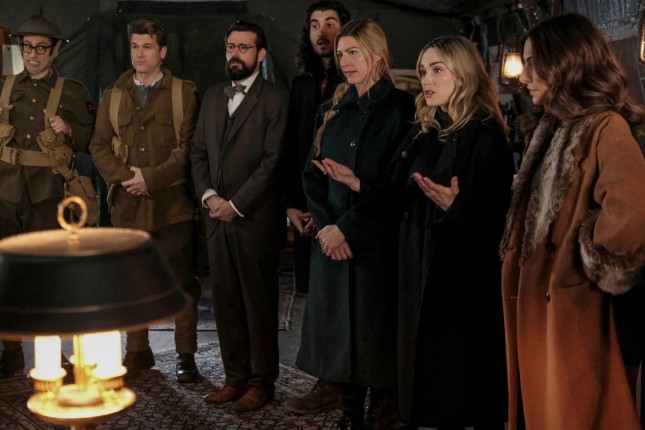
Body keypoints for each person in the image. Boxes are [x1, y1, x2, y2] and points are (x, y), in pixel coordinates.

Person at [499, 13, 645, 430]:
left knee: (573, 411)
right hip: (543, 304)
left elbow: (632, 210)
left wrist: (578, 261)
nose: (524, 75)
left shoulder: (605, 125)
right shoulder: (552, 126)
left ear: (567, 62)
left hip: (570, 308)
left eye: (534, 63)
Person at [389, 36, 514, 429]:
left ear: (462, 73)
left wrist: (454, 208)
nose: (427, 79)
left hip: (464, 284)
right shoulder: (431, 127)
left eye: (437, 69)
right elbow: (398, 184)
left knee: (462, 388)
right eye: (423, 71)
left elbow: (497, 223)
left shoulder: (485, 133)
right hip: (426, 267)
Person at [298, 19, 415, 429]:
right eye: (341, 53)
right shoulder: (331, 108)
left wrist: (348, 227)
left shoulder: (401, 108)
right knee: (337, 328)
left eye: (353, 53)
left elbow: (395, 183)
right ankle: (348, 412)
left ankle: (385, 408)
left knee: (373, 330)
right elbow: (312, 175)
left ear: (377, 55)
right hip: (331, 241)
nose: (344, 61)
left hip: (374, 239)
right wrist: (328, 229)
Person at [89, 18, 201, 383]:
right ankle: (137, 351)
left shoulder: (183, 93)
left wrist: (148, 178)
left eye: (147, 47)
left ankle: (186, 355)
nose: (139, 54)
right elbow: (98, 146)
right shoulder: (113, 95)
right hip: (127, 206)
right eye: (135, 46)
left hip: (173, 205)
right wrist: (126, 178)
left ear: (162, 51)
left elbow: (189, 150)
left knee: (181, 281)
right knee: (132, 282)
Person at [190, 19, 288, 413]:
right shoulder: (213, 95)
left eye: (244, 48)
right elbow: (198, 153)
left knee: (257, 304)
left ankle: (262, 383)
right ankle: (235, 379)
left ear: (260, 54)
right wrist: (211, 197)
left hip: (254, 219)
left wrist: (236, 204)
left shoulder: (275, 98)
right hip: (215, 218)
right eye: (231, 46)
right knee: (226, 302)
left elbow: (273, 162)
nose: (235, 53)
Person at [0, 15, 95, 378]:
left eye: (41, 47)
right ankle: (11, 352)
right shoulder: (5, 86)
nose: (33, 54)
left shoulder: (72, 92)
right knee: (6, 276)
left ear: (55, 51)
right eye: (27, 46)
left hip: (46, 195)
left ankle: (52, 357)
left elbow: (92, 140)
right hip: (5, 193)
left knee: (46, 280)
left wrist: (69, 128)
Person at [282, 0, 351, 416]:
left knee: (346, 296)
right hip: (308, 207)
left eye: (330, 23)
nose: (321, 32)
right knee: (317, 297)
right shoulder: (302, 84)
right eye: (314, 25)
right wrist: (293, 205)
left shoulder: (356, 79)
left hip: (346, 206)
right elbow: (294, 148)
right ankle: (327, 380)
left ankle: (346, 382)